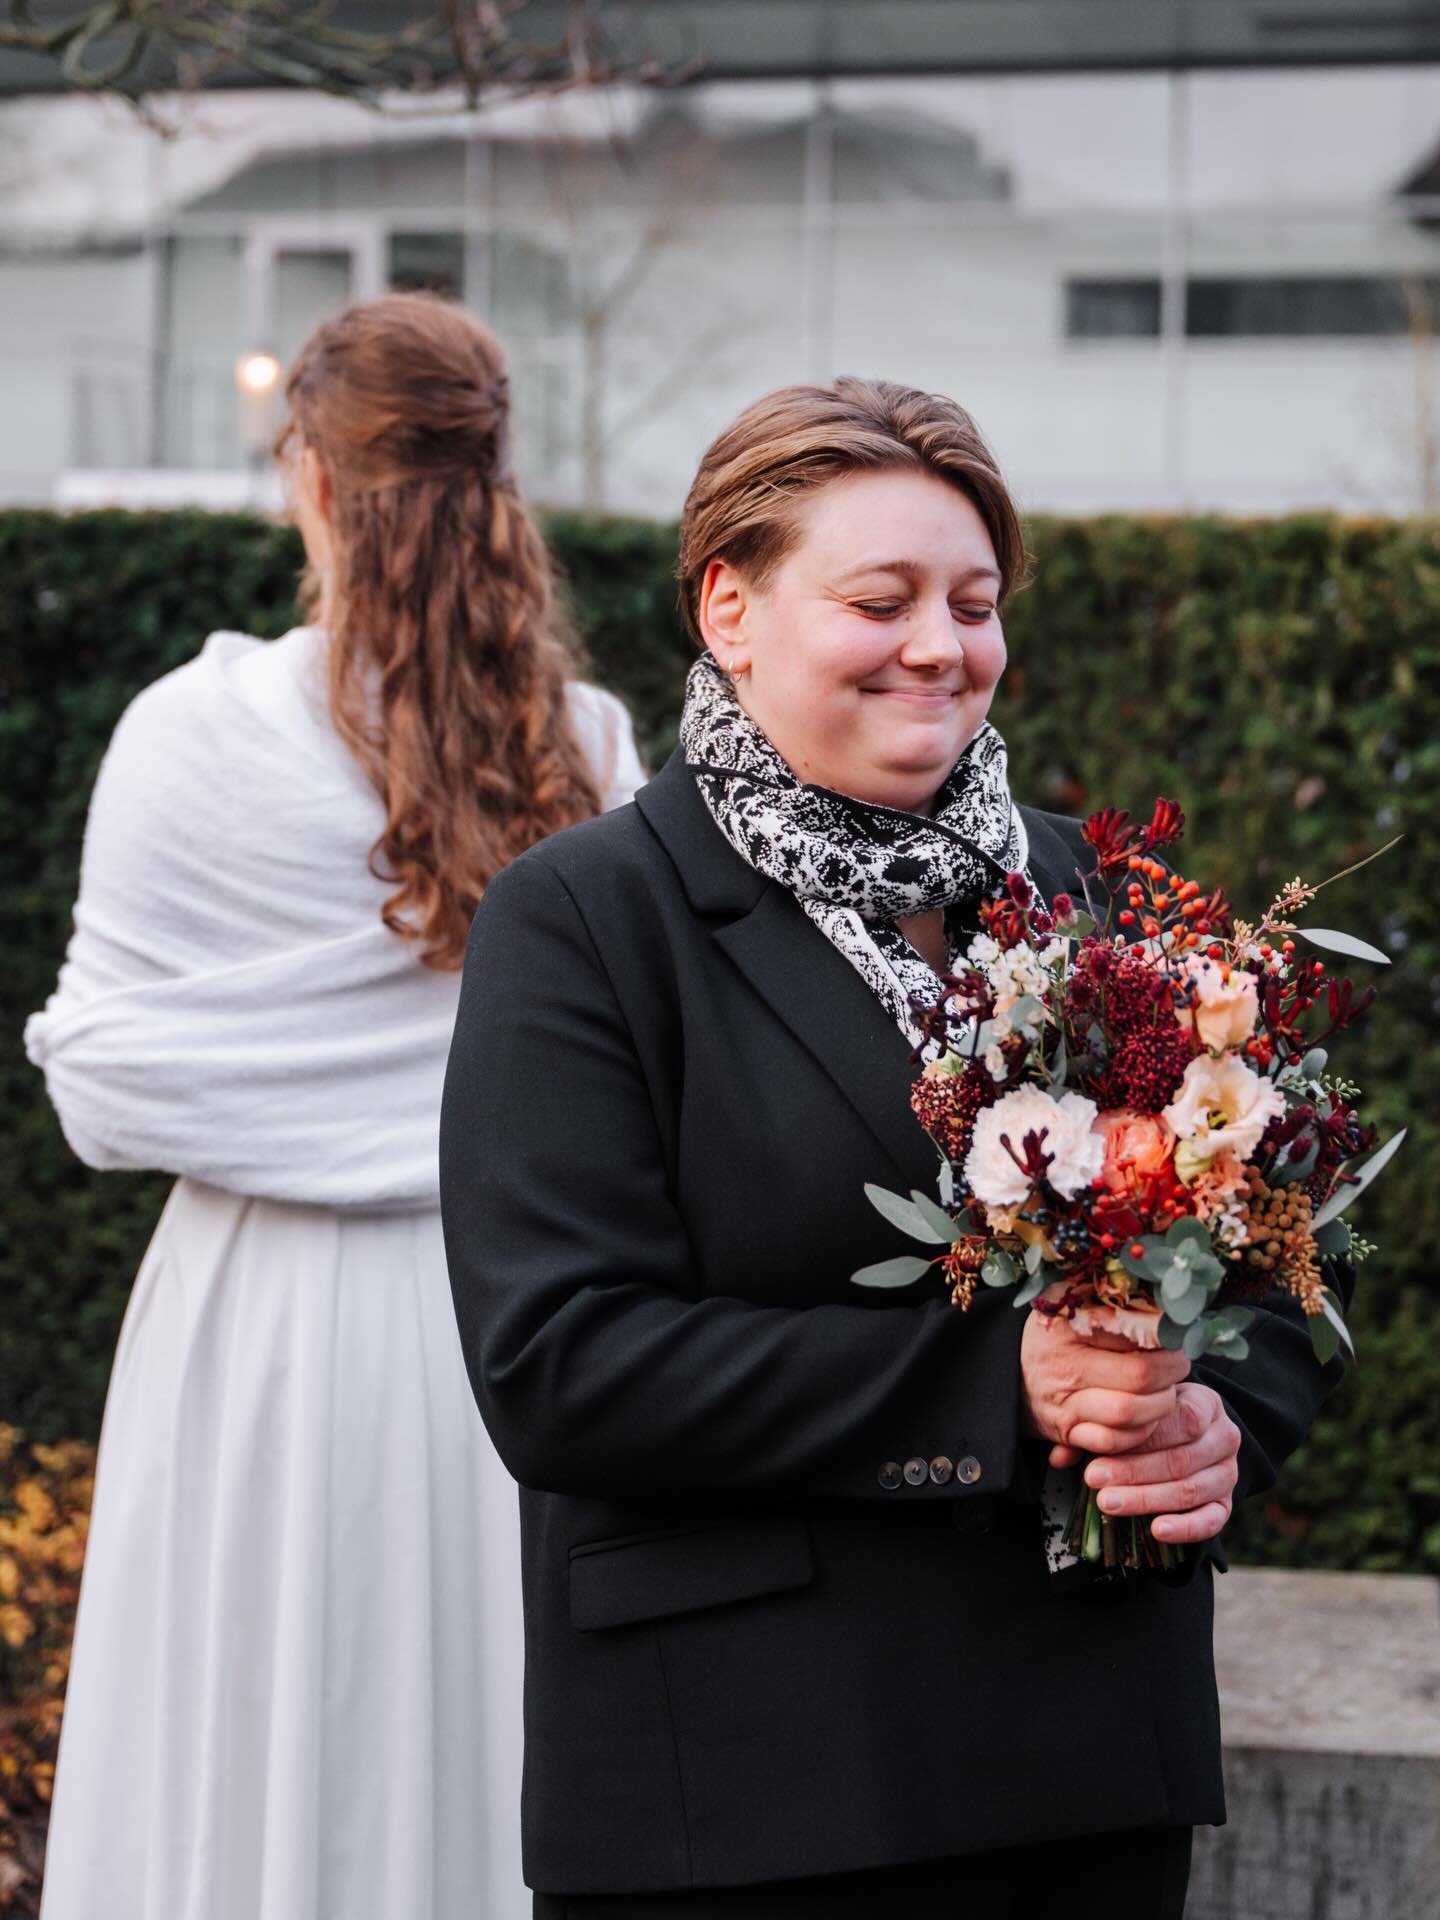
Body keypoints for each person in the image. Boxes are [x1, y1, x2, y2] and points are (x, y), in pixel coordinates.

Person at [439, 378, 1348, 1919]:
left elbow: (1278, 1266)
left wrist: (1216, 1427)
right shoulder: (588, 920)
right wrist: (996, 1389)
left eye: (976, 601)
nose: (944, 643)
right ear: (730, 608)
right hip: (754, 1786)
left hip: (1089, 1765)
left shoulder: (1103, 896)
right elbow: (561, 1359)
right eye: (885, 598)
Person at [26, 292, 644, 1920]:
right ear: (499, 470)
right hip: (516, 1312)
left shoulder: (189, 732)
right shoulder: (586, 745)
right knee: (481, 1742)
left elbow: (102, 1080)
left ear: (306, 471)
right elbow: (632, 1086)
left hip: (266, 1322)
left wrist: (299, 1103)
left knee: (246, 1749)